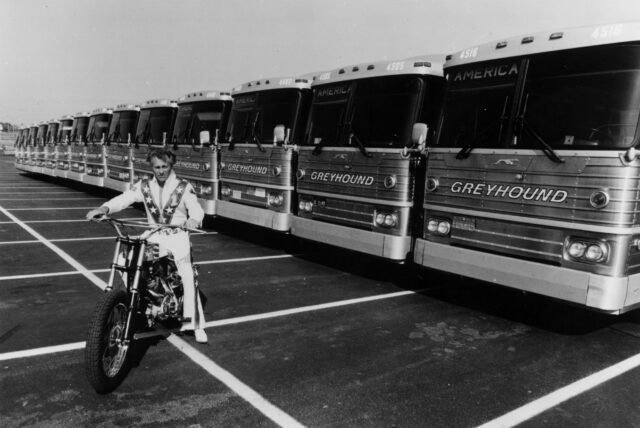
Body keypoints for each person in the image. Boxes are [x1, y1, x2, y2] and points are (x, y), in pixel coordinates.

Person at [86, 149, 208, 343]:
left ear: (171, 166)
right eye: (157, 167)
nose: (160, 171)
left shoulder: (183, 187)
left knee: (186, 274)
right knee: (124, 259)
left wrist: (193, 220)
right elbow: (125, 198)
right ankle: (142, 300)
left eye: (164, 167)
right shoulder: (144, 186)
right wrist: (105, 208)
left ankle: (193, 323)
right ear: (152, 167)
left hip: (177, 236)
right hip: (154, 235)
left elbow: (196, 209)